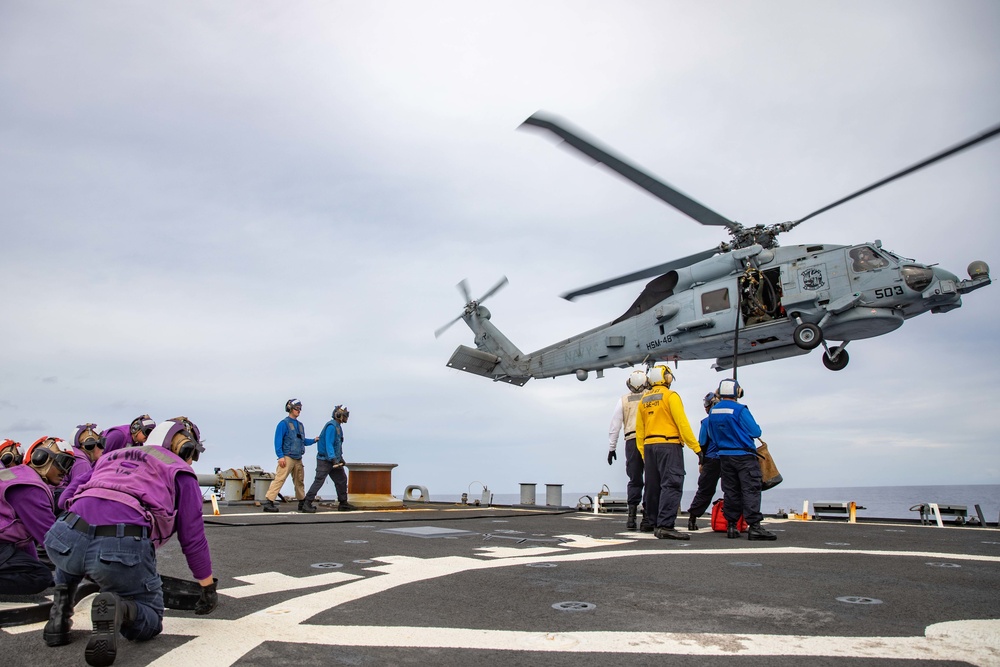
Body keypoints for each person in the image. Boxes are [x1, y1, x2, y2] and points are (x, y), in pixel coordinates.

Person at [43, 417, 217, 665]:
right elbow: (193, 538)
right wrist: (207, 588)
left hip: (65, 535)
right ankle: (120, 608)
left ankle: (58, 620)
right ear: (186, 447)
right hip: (120, 546)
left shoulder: (111, 457)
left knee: (75, 543)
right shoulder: (181, 472)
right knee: (151, 619)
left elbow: (64, 501)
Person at [635, 365, 702, 541]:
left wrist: (644, 453)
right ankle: (665, 525)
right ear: (666, 378)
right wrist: (696, 448)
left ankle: (652, 521)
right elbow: (682, 423)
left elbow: (639, 431)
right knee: (672, 484)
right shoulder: (670, 396)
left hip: (649, 446)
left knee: (652, 486)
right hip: (669, 445)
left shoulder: (644, 399)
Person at [705, 378, 777, 541]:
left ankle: (731, 525)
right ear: (737, 392)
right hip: (744, 456)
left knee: (730, 491)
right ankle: (755, 527)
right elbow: (755, 431)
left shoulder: (713, 411)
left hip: (724, 456)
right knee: (750, 490)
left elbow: (711, 435)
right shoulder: (740, 409)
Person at [0, 437, 73, 595]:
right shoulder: (30, 489)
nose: (65, 471)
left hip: (4, 546)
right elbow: (53, 539)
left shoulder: (18, 476)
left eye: (69, 465)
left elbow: (24, 543)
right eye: (63, 462)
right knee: (39, 576)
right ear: (41, 458)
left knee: (37, 570)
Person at [607, 369, 649, 531]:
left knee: (635, 479)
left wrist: (612, 448)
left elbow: (615, 425)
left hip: (631, 441)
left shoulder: (623, 400)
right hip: (649, 441)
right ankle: (647, 517)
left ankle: (631, 518)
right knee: (651, 479)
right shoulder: (650, 397)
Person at [262, 399, 317, 513]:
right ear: (290, 409)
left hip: (298, 457)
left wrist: (314, 440)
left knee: (299, 480)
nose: (299, 411)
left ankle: (302, 502)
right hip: (287, 457)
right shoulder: (283, 424)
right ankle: (269, 501)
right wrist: (280, 456)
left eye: (299, 408)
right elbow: (278, 441)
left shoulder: (300, 425)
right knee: (280, 479)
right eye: (297, 408)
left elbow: (302, 441)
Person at [301, 405, 356, 513]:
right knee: (319, 481)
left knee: (341, 480)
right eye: (345, 415)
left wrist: (340, 458)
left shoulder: (338, 427)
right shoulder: (331, 427)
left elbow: (337, 445)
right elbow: (329, 444)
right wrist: (333, 458)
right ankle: (306, 503)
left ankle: (343, 503)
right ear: (339, 415)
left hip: (333, 459)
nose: (347, 417)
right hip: (325, 460)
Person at [684, 392, 721, 531]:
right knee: (732, 491)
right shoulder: (731, 417)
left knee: (705, 490)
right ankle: (732, 523)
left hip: (711, 460)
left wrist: (701, 462)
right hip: (730, 458)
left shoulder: (706, 422)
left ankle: (693, 517)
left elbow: (703, 443)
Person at [55, 423, 105, 510]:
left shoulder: (76, 456)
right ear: (90, 446)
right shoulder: (82, 463)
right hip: (59, 502)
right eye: (101, 443)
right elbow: (78, 493)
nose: (104, 448)